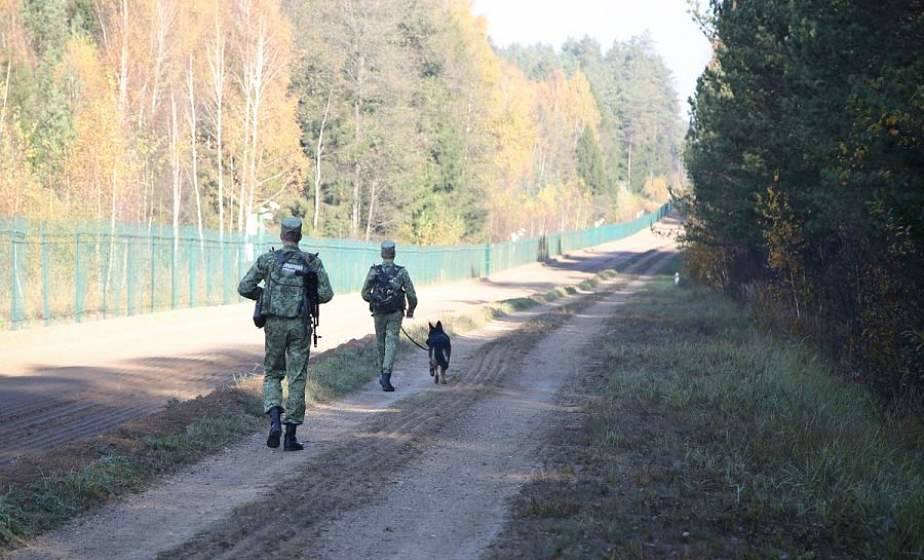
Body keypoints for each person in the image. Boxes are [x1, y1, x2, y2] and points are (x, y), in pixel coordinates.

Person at [238, 217, 333, 451]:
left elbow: (244, 287)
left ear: (282, 236)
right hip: (300, 326)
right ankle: (290, 436)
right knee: (297, 377)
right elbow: (326, 294)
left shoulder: (268, 260)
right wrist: (305, 297)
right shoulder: (311, 262)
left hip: (274, 325)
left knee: (272, 373)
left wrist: (267, 294)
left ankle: (273, 420)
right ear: (299, 236)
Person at [361, 240, 417, 392]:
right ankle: (386, 375)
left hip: (378, 312)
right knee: (391, 341)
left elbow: (364, 293)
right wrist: (411, 310)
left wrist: (374, 300)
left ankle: (382, 373)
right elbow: (412, 294)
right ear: (394, 254)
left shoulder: (374, 271)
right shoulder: (401, 272)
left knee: (381, 343)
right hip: (395, 313)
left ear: (381, 253)